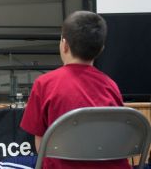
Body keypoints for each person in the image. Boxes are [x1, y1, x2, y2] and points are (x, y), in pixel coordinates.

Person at [20, 11, 131, 169]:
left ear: (64, 45)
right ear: (100, 50)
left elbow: (40, 145)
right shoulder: (111, 86)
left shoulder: (44, 84)